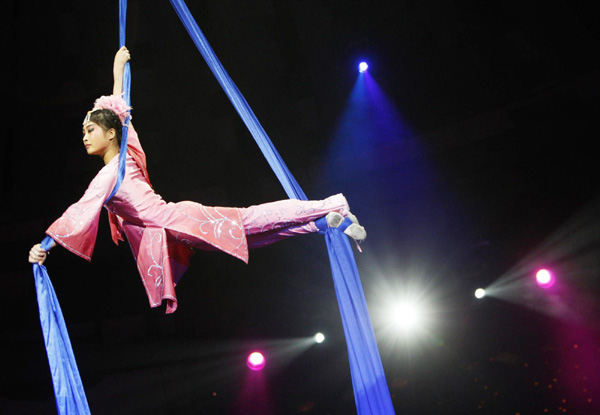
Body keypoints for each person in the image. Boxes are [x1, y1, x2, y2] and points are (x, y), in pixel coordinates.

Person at [28, 47, 366, 313]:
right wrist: (117, 74)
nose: (84, 137)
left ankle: (332, 204)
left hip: (180, 219)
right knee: (248, 237)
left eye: (90, 130)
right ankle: (324, 223)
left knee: (249, 221)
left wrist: (45, 247)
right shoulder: (126, 154)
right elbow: (120, 110)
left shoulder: (109, 175)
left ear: (112, 133)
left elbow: (80, 209)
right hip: (174, 233)